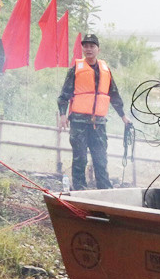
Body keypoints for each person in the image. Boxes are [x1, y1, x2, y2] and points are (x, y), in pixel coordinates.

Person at [56, 34, 131, 190]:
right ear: (82, 48)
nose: (88, 49)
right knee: (80, 159)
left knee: (100, 159)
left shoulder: (105, 70)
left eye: (92, 46)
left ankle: (105, 190)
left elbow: (114, 94)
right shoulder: (75, 69)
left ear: (98, 49)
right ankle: (79, 190)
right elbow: (64, 95)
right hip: (79, 122)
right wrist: (63, 115)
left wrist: (123, 116)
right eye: (85, 46)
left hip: (99, 123)